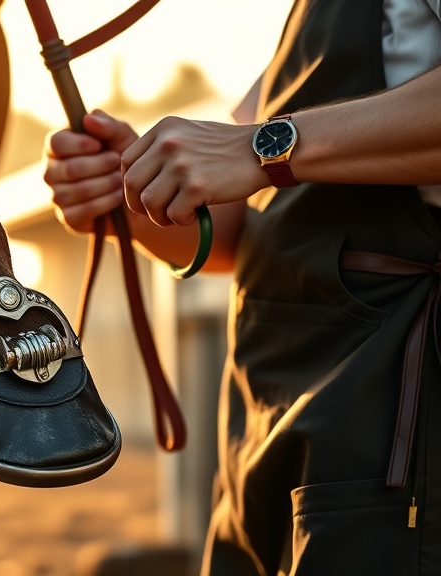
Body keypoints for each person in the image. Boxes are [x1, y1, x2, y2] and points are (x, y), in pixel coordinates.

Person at [43, 0, 441, 574]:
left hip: (387, 438)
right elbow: (257, 221)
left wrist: (260, 146)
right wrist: (135, 195)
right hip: (258, 439)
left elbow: (261, 155)